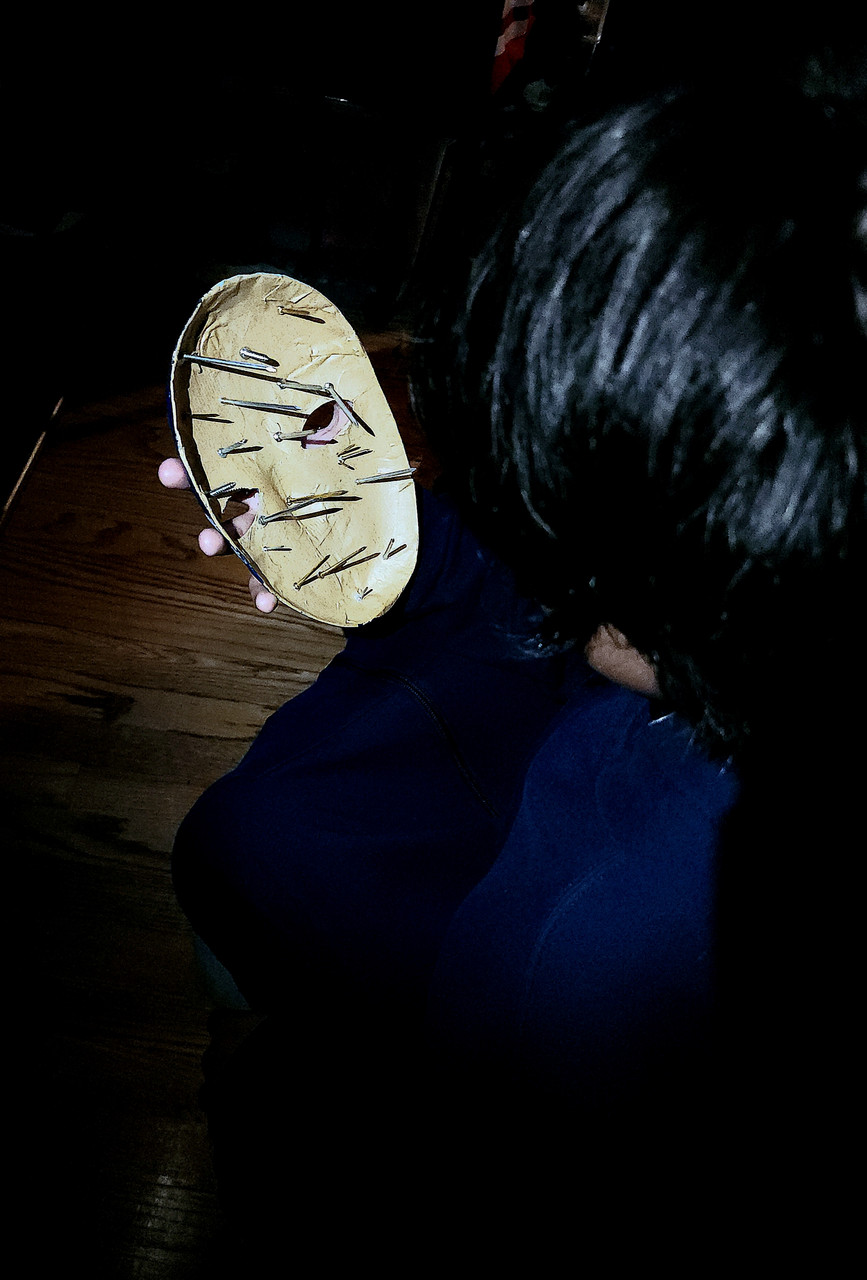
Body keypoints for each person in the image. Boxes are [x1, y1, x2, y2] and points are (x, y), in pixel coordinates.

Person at [160, 75, 865, 1239]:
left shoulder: (596, 981)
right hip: (575, 777)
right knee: (248, 836)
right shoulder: (751, 597)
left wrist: (269, 1094)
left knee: (250, 882)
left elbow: (480, 1135)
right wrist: (387, 546)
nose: (511, 509)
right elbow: (550, 589)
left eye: (546, 498)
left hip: (495, 1034)